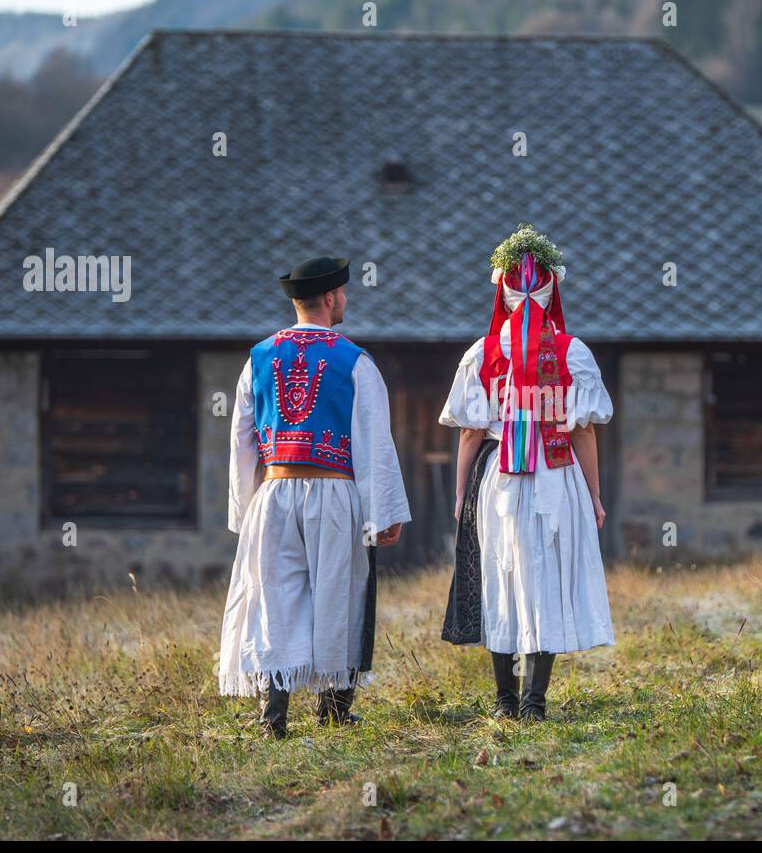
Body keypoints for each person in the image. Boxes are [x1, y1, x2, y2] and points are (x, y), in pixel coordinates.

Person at [219, 256, 411, 736]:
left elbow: (241, 438)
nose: (344, 300)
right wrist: (382, 511)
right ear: (330, 298)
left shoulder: (259, 358)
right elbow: (372, 441)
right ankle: (333, 710)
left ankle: (273, 716)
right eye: (343, 294)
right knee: (339, 593)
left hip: (276, 490)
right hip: (334, 493)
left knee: (274, 599)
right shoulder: (354, 361)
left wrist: (245, 508)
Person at [439, 225, 615, 721]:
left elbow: (471, 434)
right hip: (557, 475)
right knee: (547, 579)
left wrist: (461, 498)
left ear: (503, 291)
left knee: (502, 575)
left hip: (501, 478)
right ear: (552, 289)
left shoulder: (481, 353)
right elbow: (583, 432)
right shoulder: (573, 353)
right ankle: (535, 702)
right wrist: (596, 497)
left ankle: (504, 702)